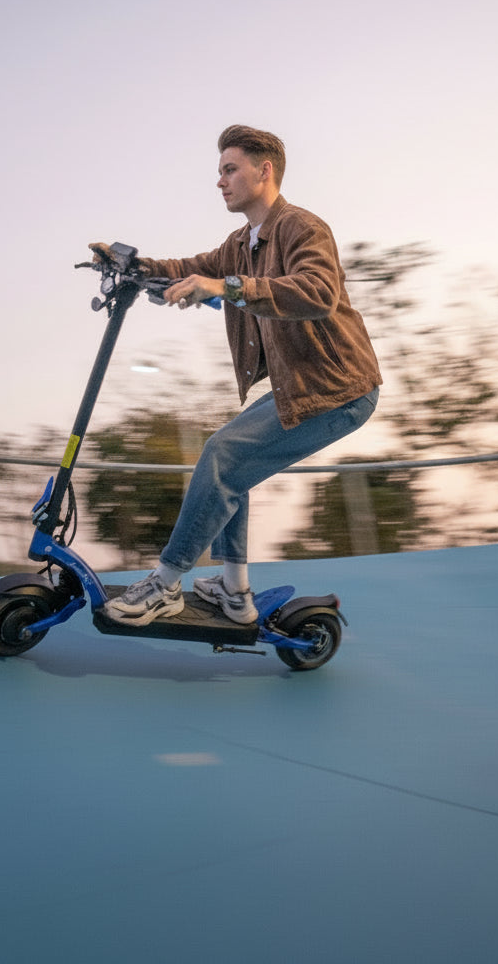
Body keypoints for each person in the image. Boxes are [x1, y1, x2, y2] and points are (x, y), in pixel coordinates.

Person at [95, 124, 381, 627]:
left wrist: (224, 286)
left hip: (338, 391)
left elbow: (316, 292)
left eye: (230, 169)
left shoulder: (301, 227)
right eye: (220, 171)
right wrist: (134, 266)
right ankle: (235, 589)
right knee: (233, 460)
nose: (221, 181)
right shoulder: (240, 243)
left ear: (263, 170)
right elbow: (191, 266)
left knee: (223, 454)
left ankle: (165, 582)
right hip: (299, 390)